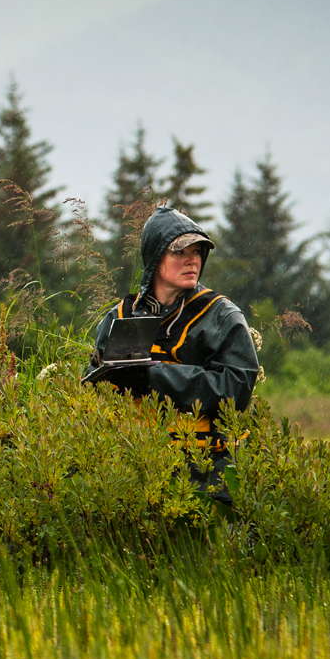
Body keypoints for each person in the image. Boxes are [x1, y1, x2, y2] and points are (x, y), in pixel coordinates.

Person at [86, 203, 261, 492]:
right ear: (155, 258)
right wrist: (102, 376)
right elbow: (92, 390)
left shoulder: (222, 316)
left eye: (197, 252)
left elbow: (236, 389)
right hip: (133, 469)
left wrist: (153, 377)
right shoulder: (121, 316)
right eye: (180, 252)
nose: (192, 261)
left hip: (206, 472)